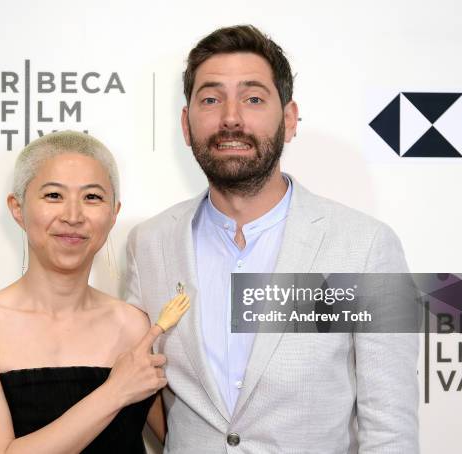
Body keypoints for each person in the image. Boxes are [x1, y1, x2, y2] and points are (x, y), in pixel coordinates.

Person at [125, 25, 419, 452]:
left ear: (290, 119)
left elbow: (390, 426)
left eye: (253, 98)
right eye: (210, 98)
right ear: (186, 125)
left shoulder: (366, 246)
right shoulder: (149, 243)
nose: (230, 117)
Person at [0, 130, 189, 454]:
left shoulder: (133, 324)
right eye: (54, 196)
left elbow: (182, 438)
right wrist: (114, 393)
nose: (73, 216)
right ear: (18, 208)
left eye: (92, 198)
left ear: (113, 213)